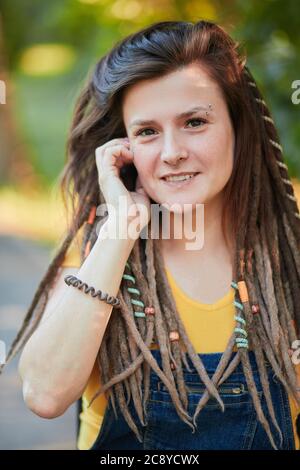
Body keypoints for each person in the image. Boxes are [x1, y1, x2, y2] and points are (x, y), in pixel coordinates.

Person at [2, 20, 300, 450]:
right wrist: (120, 229)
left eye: (195, 122)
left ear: (238, 127)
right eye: (147, 132)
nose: (172, 152)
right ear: (123, 149)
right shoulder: (95, 260)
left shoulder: (288, 265)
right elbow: (44, 395)